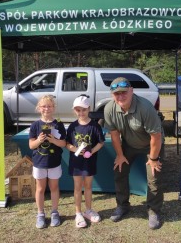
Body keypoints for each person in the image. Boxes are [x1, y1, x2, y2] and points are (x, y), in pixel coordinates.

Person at [103, 77, 164, 230]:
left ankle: (153, 210)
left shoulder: (145, 107)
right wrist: (120, 155)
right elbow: (115, 134)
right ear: (112, 95)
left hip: (151, 146)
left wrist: (154, 158)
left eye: (124, 92)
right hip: (129, 144)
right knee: (119, 169)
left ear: (131, 91)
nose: (121, 96)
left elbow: (156, 136)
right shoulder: (109, 109)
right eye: (117, 94)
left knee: (154, 177)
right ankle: (123, 206)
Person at [66, 95, 105, 228]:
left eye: (83, 109)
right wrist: (75, 149)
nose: (81, 113)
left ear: (89, 109)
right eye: (78, 110)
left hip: (90, 162)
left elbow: (101, 143)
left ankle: (88, 210)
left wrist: (91, 151)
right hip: (76, 162)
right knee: (77, 187)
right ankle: (78, 213)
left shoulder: (95, 126)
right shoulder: (72, 126)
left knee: (88, 186)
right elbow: (67, 144)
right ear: (74, 111)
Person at [29, 95, 67, 229]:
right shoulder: (35, 125)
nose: (47, 108)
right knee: (40, 189)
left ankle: (55, 212)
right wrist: (39, 140)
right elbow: (31, 146)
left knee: (54, 188)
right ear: (39, 108)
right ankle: (40, 214)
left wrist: (53, 140)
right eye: (44, 106)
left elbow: (63, 144)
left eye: (49, 106)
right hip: (39, 162)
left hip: (54, 162)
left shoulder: (58, 124)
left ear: (54, 108)